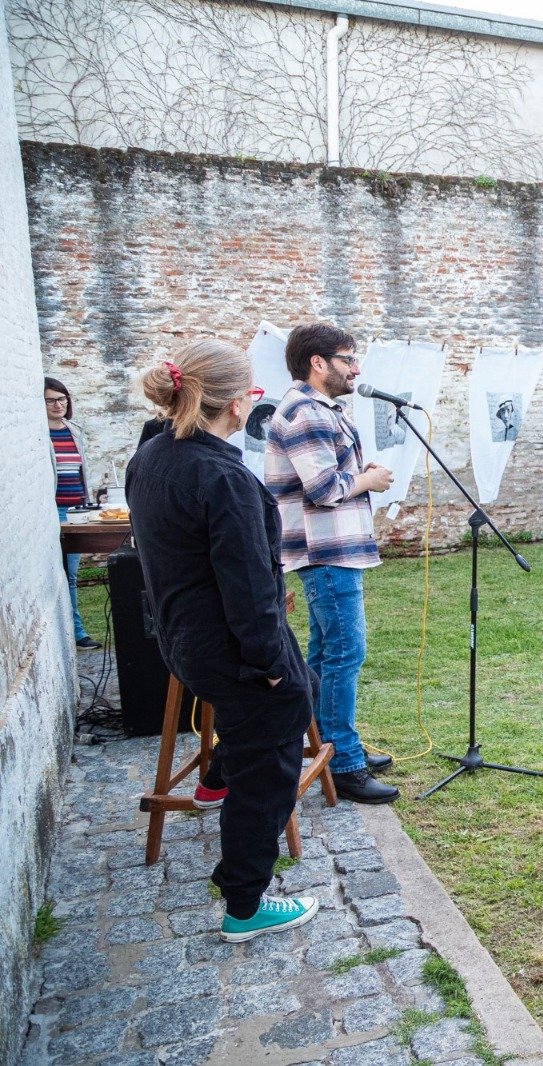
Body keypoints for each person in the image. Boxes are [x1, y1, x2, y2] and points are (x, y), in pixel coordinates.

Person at [126, 339, 321, 943]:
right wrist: (268, 663)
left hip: (181, 638)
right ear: (238, 404)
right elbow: (248, 587)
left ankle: (215, 779)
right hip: (228, 646)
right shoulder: (221, 476)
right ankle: (245, 903)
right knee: (276, 744)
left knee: (299, 693)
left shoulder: (150, 454)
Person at [264, 323, 398, 805]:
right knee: (345, 653)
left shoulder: (318, 409)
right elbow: (324, 490)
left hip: (330, 549)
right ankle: (343, 764)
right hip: (325, 551)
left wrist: (358, 474)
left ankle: (327, 746)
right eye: (348, 359)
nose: (356, 368)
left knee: (325, 654)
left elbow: (325, 477)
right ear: (318, 363)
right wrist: (369, 481)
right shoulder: (306, 412)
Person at [45, 376, 100, 649]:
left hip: (76, 510)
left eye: (62, 399)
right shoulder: (40, 434)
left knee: (70, 574)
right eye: (51, 400)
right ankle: (75, 633)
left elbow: (81, 473)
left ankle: (75, 632)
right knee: (60, 574)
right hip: (53, 511)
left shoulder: (74, 430)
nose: (58, 405)